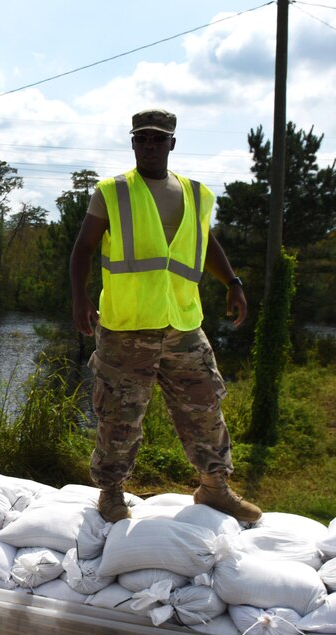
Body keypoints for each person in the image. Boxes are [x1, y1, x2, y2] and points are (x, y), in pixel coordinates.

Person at [70, 108, 261, 525]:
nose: (149, 145)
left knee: (205, 405)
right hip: (127, 325)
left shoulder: (194, 193)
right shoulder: (113, 191)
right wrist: (80, 297)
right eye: (141, 138)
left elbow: (205, 243)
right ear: (133, 142)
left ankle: (214, 489)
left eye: (157, 139)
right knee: (119, 413)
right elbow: (83, 247)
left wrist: (232, 282)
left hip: (183, 323)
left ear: (172, 143)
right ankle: (112, 492)